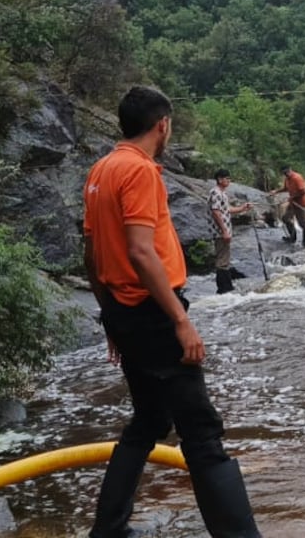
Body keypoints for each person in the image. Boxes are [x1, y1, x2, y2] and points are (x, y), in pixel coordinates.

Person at [82, 86, 260, 538]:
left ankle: (109, 530)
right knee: (201, 433)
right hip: (153, 314)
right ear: (162, 125)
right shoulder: (139, 171)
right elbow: (142, 253)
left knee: (148, 421)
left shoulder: (100, 170)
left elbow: (92, 253)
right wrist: (181, 321)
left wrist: (111, 318)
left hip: (124, 311)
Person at [209, 168, 252, 294]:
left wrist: (243, 208)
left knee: (225, 259)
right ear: (219, 179)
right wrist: (224, 231)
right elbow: (215, 212)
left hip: (223, 230)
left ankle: (226, 287)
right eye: (226, 178)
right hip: (220, 231)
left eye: (229, 178)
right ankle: (224, 288)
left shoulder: (222, 193)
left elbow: (227, 209)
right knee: (222, 261)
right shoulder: (216, 193)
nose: (229, 180)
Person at [270, 165, 305, 247]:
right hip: (292, 203)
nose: (286, 174)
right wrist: (276, 191)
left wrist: (292, 197)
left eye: (287, 172)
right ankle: (293, 238)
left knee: (303, 224)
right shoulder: (287, 179)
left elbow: (303, 191)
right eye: (284, 173)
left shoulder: (297, 178)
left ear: (290, 170)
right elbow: (285, 188)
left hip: (300, 204)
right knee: (285, 218)